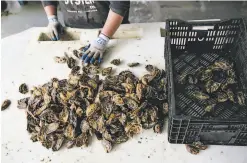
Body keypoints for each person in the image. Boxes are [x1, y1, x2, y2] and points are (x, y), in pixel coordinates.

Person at [42, 0, 130, 65]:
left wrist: (103, 38)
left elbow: (119, 5)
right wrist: (52, 18)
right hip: (74, 27)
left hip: (112, 28)